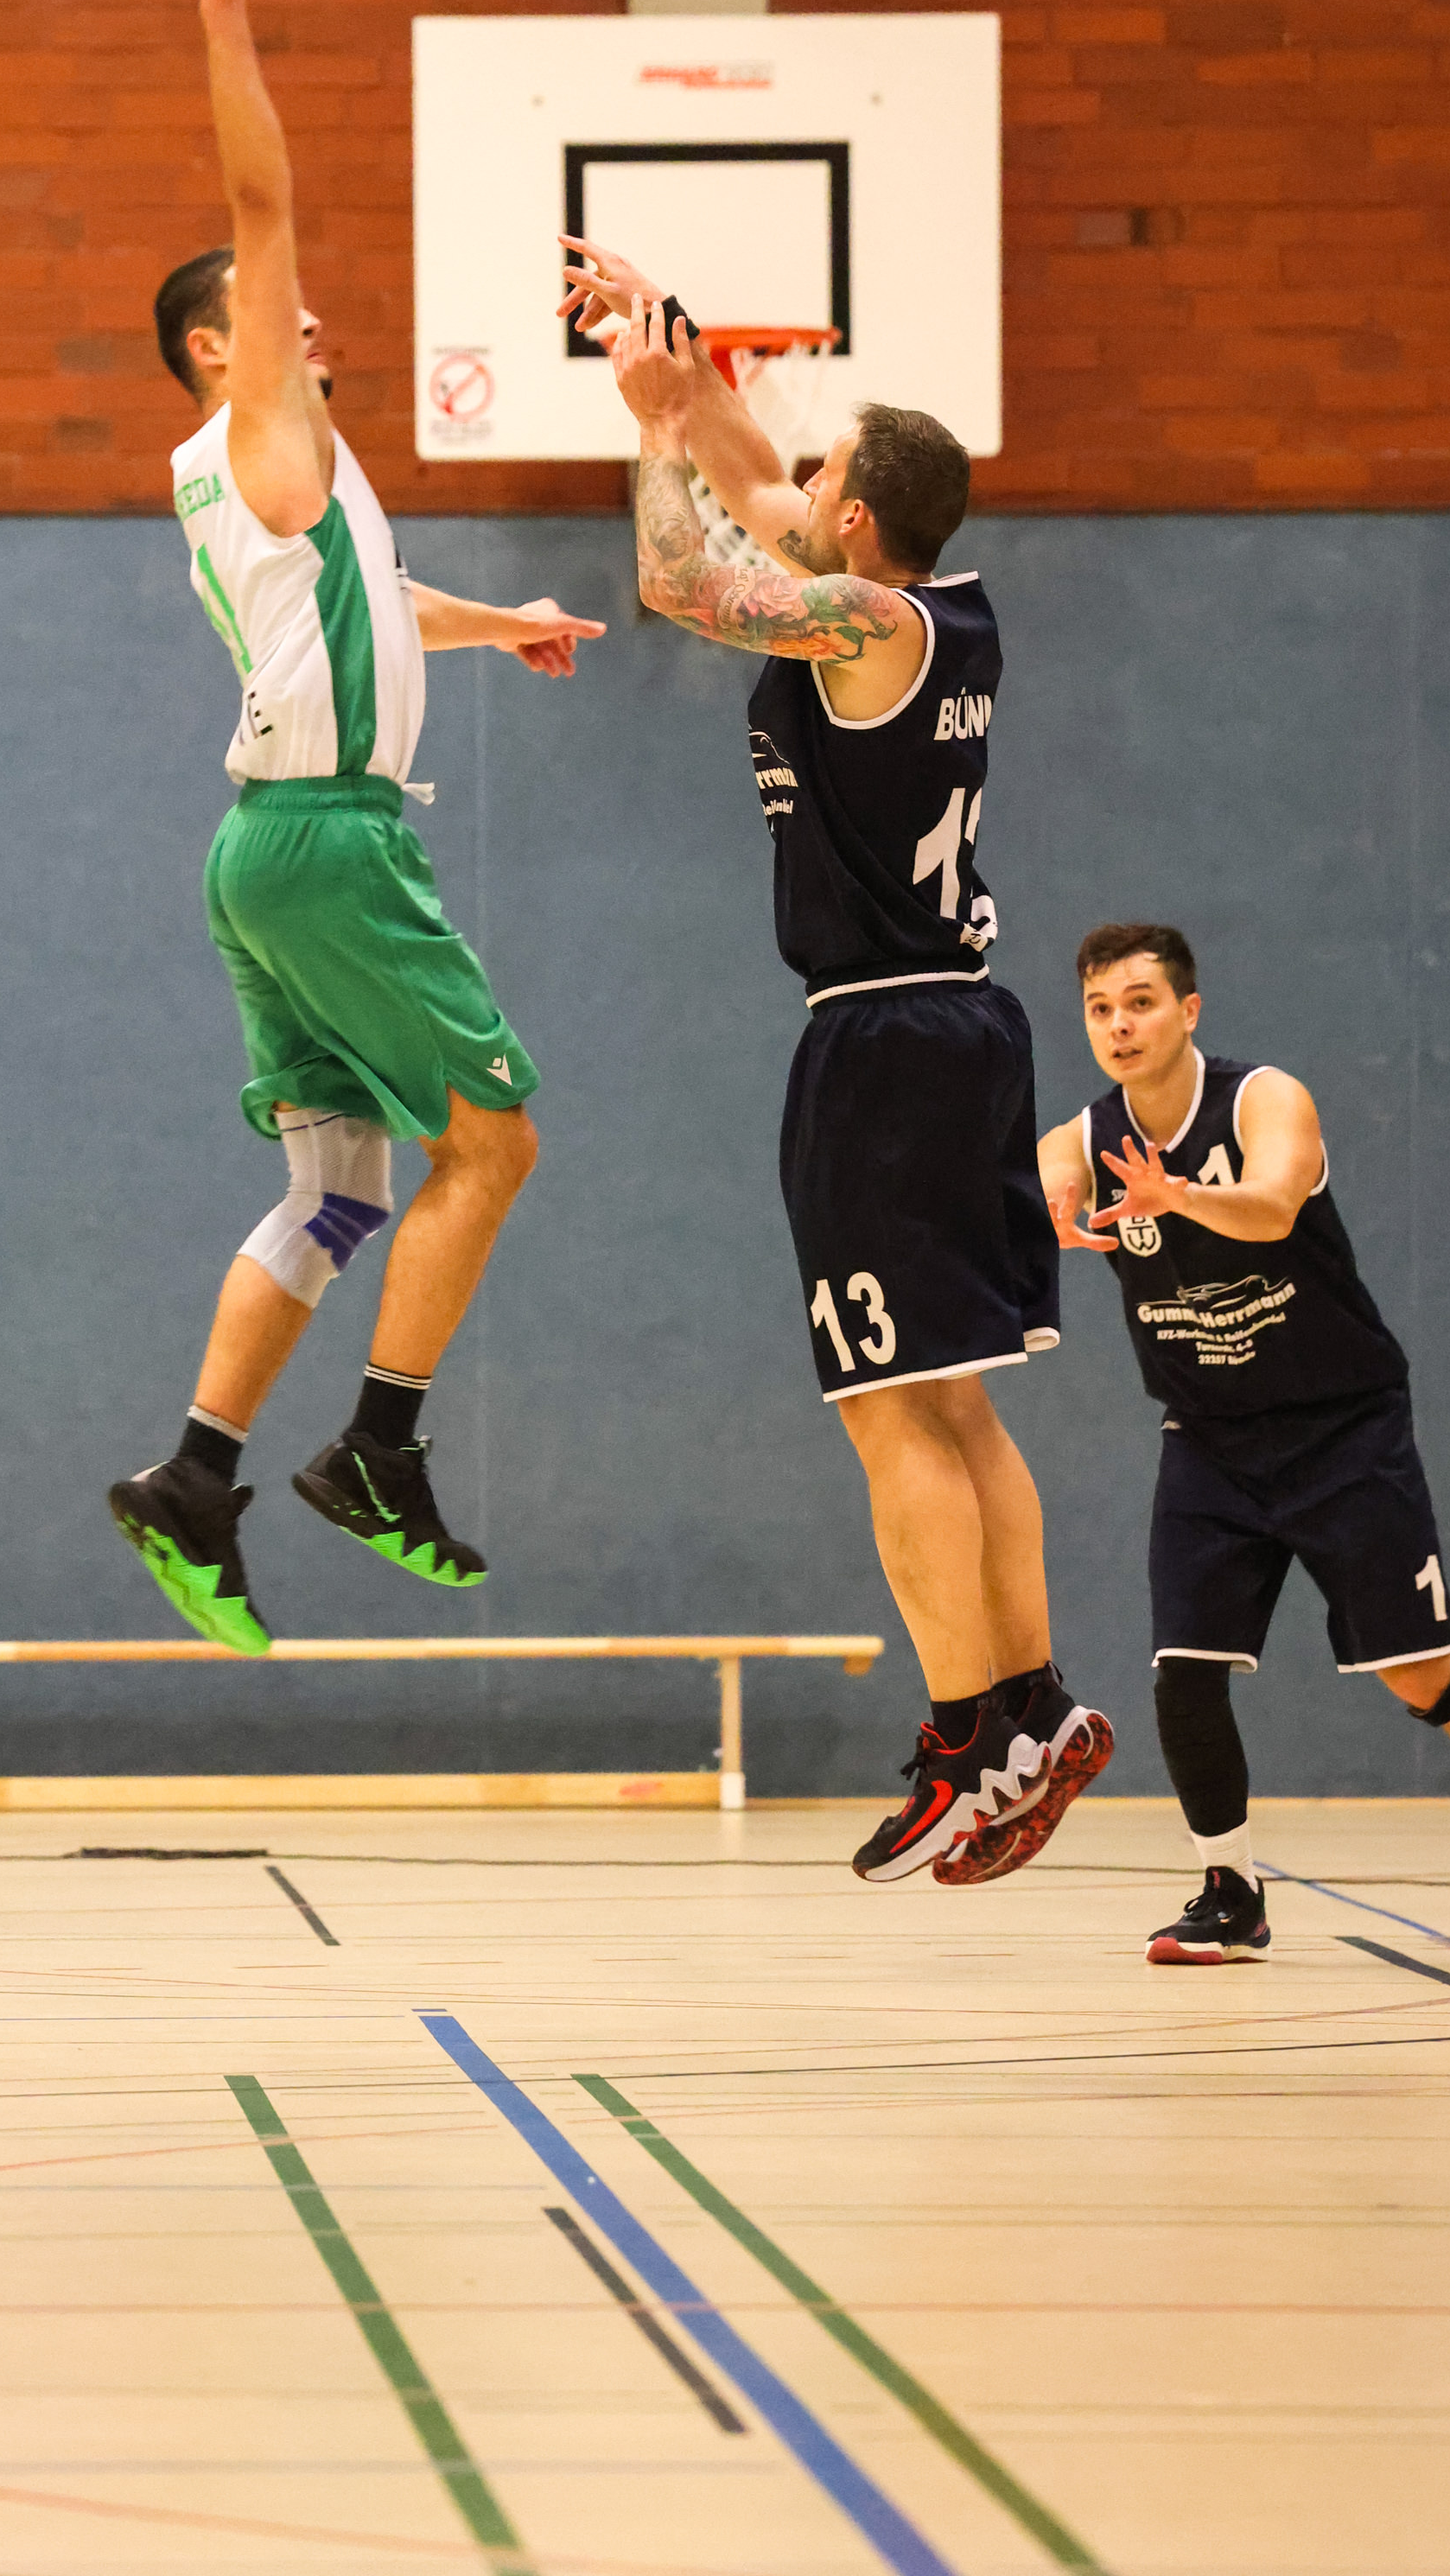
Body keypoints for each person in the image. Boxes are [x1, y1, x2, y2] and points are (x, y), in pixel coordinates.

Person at [109, 0, 606, 1653]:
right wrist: (223, 4)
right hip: (329, 843)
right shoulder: (258, 419)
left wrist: (499, 621)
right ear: (217, 345)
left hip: (260, 848)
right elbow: (262, 192)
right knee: (499, 1145)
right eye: (272, 311)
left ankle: (192, 1476)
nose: (309, 322)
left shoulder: (271, 481)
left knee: (335, 1193)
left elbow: (375, 606)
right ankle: (379, 1450)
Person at [582, 265, 1109, 1885]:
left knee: (885, 1412)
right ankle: (1031, 1707)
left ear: (861, 520)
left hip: (883, 1043)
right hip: (964, 1028)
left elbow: (682, 575)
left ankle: (964, 1739)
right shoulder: (939, 612)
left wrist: (649, 437)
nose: (795, 485)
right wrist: (679, 365)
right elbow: (753, 486)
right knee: (955, 1399)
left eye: (824, 479)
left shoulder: (863, 625)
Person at [1040, 919, 1450, 1962]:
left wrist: (1177, 1196)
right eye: (1100, 1008)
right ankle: (1231, 1891)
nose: (1119, 1025)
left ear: (1189, 1009)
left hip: (1342, 1426)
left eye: (1140, 1001)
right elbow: (1046, 1169)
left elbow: (1275, 1208)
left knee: (1419, 1674)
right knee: (1185, 1669)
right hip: (1210, 1437)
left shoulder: (1264, 1099)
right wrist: (1048, 1198)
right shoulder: (1090, 1137)